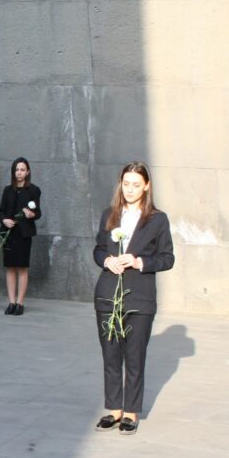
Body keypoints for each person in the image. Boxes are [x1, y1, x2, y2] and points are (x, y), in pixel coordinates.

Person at [93, 161, 174, 435]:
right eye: (126, 184)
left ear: (146, 186)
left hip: (139, 297)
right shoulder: (110, 214)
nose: (130, 190)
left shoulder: (158, 219)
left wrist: (139, 262)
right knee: (110, 355)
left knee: (135, 356)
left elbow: (167, 258)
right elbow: (98, 249)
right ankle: (114, 408)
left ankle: (131, 412)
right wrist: (106, 260)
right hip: (107, 294)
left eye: (136, 185)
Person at [0, 157, 42, 315]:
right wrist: (4, 220)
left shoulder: (33, 190)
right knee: (10, 267)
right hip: (9, 233)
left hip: (24, 234)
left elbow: (38, 213)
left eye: (22, 169)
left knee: (22, 268)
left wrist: (31, 214)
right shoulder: (7, 190)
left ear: (27, 172)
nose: (19, 172)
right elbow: (1, 211)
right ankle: (11, 302)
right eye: (17, 169)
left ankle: (20, 303)